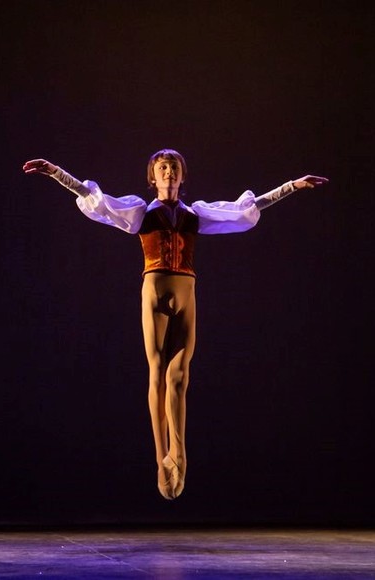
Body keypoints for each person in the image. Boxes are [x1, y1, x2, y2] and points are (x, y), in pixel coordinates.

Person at [22, 149, 328, 499]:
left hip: (187, 290)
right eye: (162, 167)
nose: (168, 171)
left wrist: (292, 186)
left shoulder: (194, 214)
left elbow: (245, 208)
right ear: (152, 177)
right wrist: (55, 172)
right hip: (155, 289)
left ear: (182, 177)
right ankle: (159, 455)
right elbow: (95, 199)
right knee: (157, 372)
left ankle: (178, 452)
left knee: (179, 376)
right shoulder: (140, 212)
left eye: (174, 167)